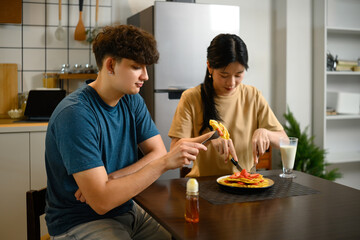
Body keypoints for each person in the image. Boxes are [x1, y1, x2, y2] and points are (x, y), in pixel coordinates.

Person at [44, 25, 209, 240]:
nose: (146, 76)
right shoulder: (75, 114)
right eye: (136, 67)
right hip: (81, 221)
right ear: (111, 65)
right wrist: (164, 163)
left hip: (127, 209)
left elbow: (157, 152)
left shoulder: (132, 100)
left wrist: (112, 179)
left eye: (146, 68)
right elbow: (101, 202)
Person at [168, 33, 288, 177]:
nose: (231, 83)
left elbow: (285, 142)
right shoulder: (191, 98)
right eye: (224, 75)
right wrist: (209, 138)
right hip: (204, 186)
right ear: (210, 67)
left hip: (244, 184)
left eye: (238, 75)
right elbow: (175, 149)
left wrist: (266, 133)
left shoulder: (253, 95)